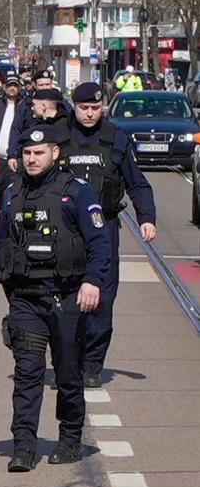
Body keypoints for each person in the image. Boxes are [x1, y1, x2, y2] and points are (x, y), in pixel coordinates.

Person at [0, 125, 110, 472]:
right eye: (27, 154)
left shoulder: (77, 192)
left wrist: (92, 282)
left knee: (67, 374)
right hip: (26, 300)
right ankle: (24, 447)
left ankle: (70, 438)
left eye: (39, 153)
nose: (31, 159)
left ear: (54, 154)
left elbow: (100, 244)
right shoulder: (15, 193)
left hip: (67, 298)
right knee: (27, 373)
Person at [59, 81, 158, 387]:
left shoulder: (116, 138)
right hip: (65, 229)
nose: (89, 114)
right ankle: (67, 363)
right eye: (83, 108)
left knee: (102, 298)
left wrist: (146, 217)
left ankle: (92, 364)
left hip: (103, 228)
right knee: (66, 298)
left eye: (95, 108)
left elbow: (137, 183)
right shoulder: (58, 137)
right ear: (73, 106)